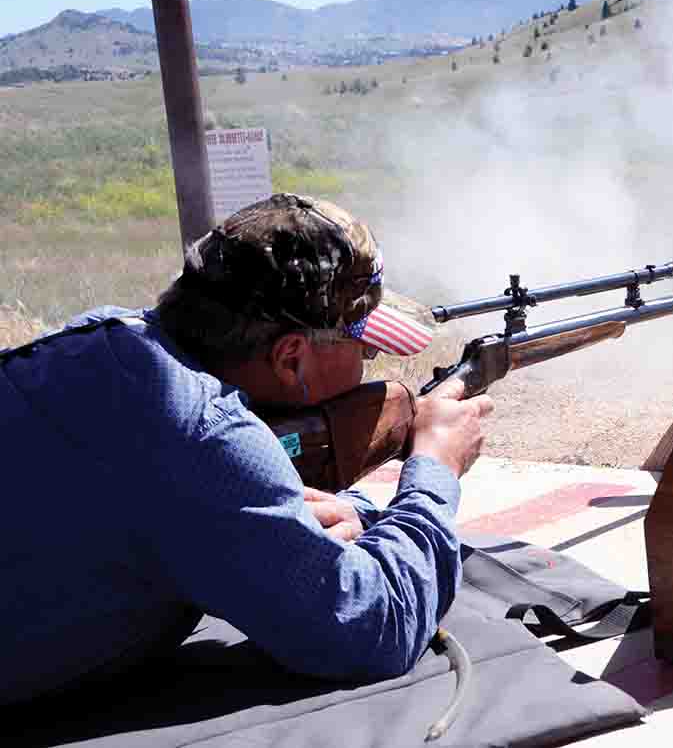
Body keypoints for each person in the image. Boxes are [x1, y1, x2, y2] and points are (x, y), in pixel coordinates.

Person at [0, 193, 493, 705]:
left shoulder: (109, 345)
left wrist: (348, 514)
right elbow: (373, 627)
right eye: (364, 347)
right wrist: (435, 467)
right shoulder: (200, 432)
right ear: (289, 358)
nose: (371, 360)